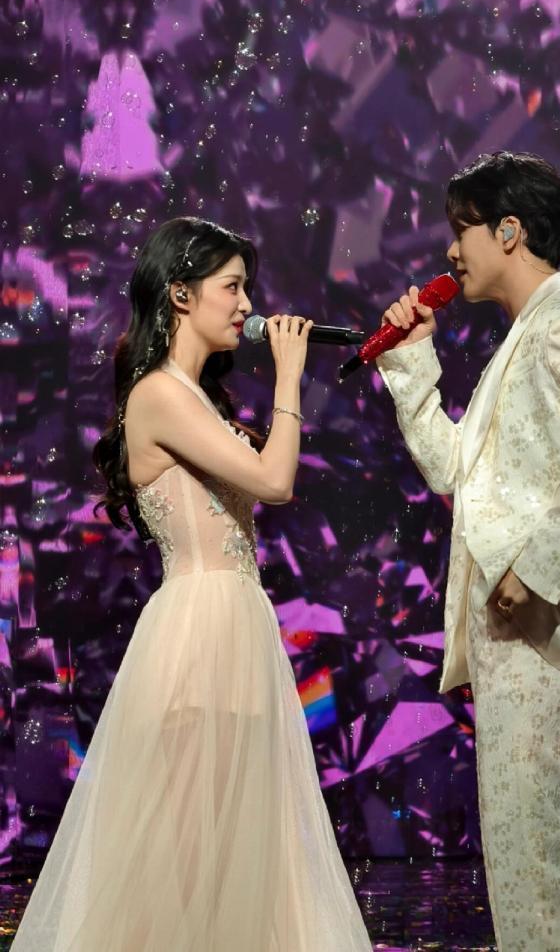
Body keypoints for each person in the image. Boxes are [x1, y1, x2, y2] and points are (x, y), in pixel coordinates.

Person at [12, 217, 371, 952]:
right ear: (180, 294)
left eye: (247, 289)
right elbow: (275, 481)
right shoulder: (159, 395)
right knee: (184, 855)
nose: (248, 305)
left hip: (236, 622)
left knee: (238, 850)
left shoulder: (198, 399)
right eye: (231, 287)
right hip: (199, 628)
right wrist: (291, 377)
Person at [376, 152, 560, 951]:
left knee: (526, 836)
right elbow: (454, 473)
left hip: (532, 617)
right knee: (512, 836)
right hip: (504, 621)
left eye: (460, 230)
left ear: (508, 231)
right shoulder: (522, 337)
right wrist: (410, 363)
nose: (450, 250)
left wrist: (533, 570)